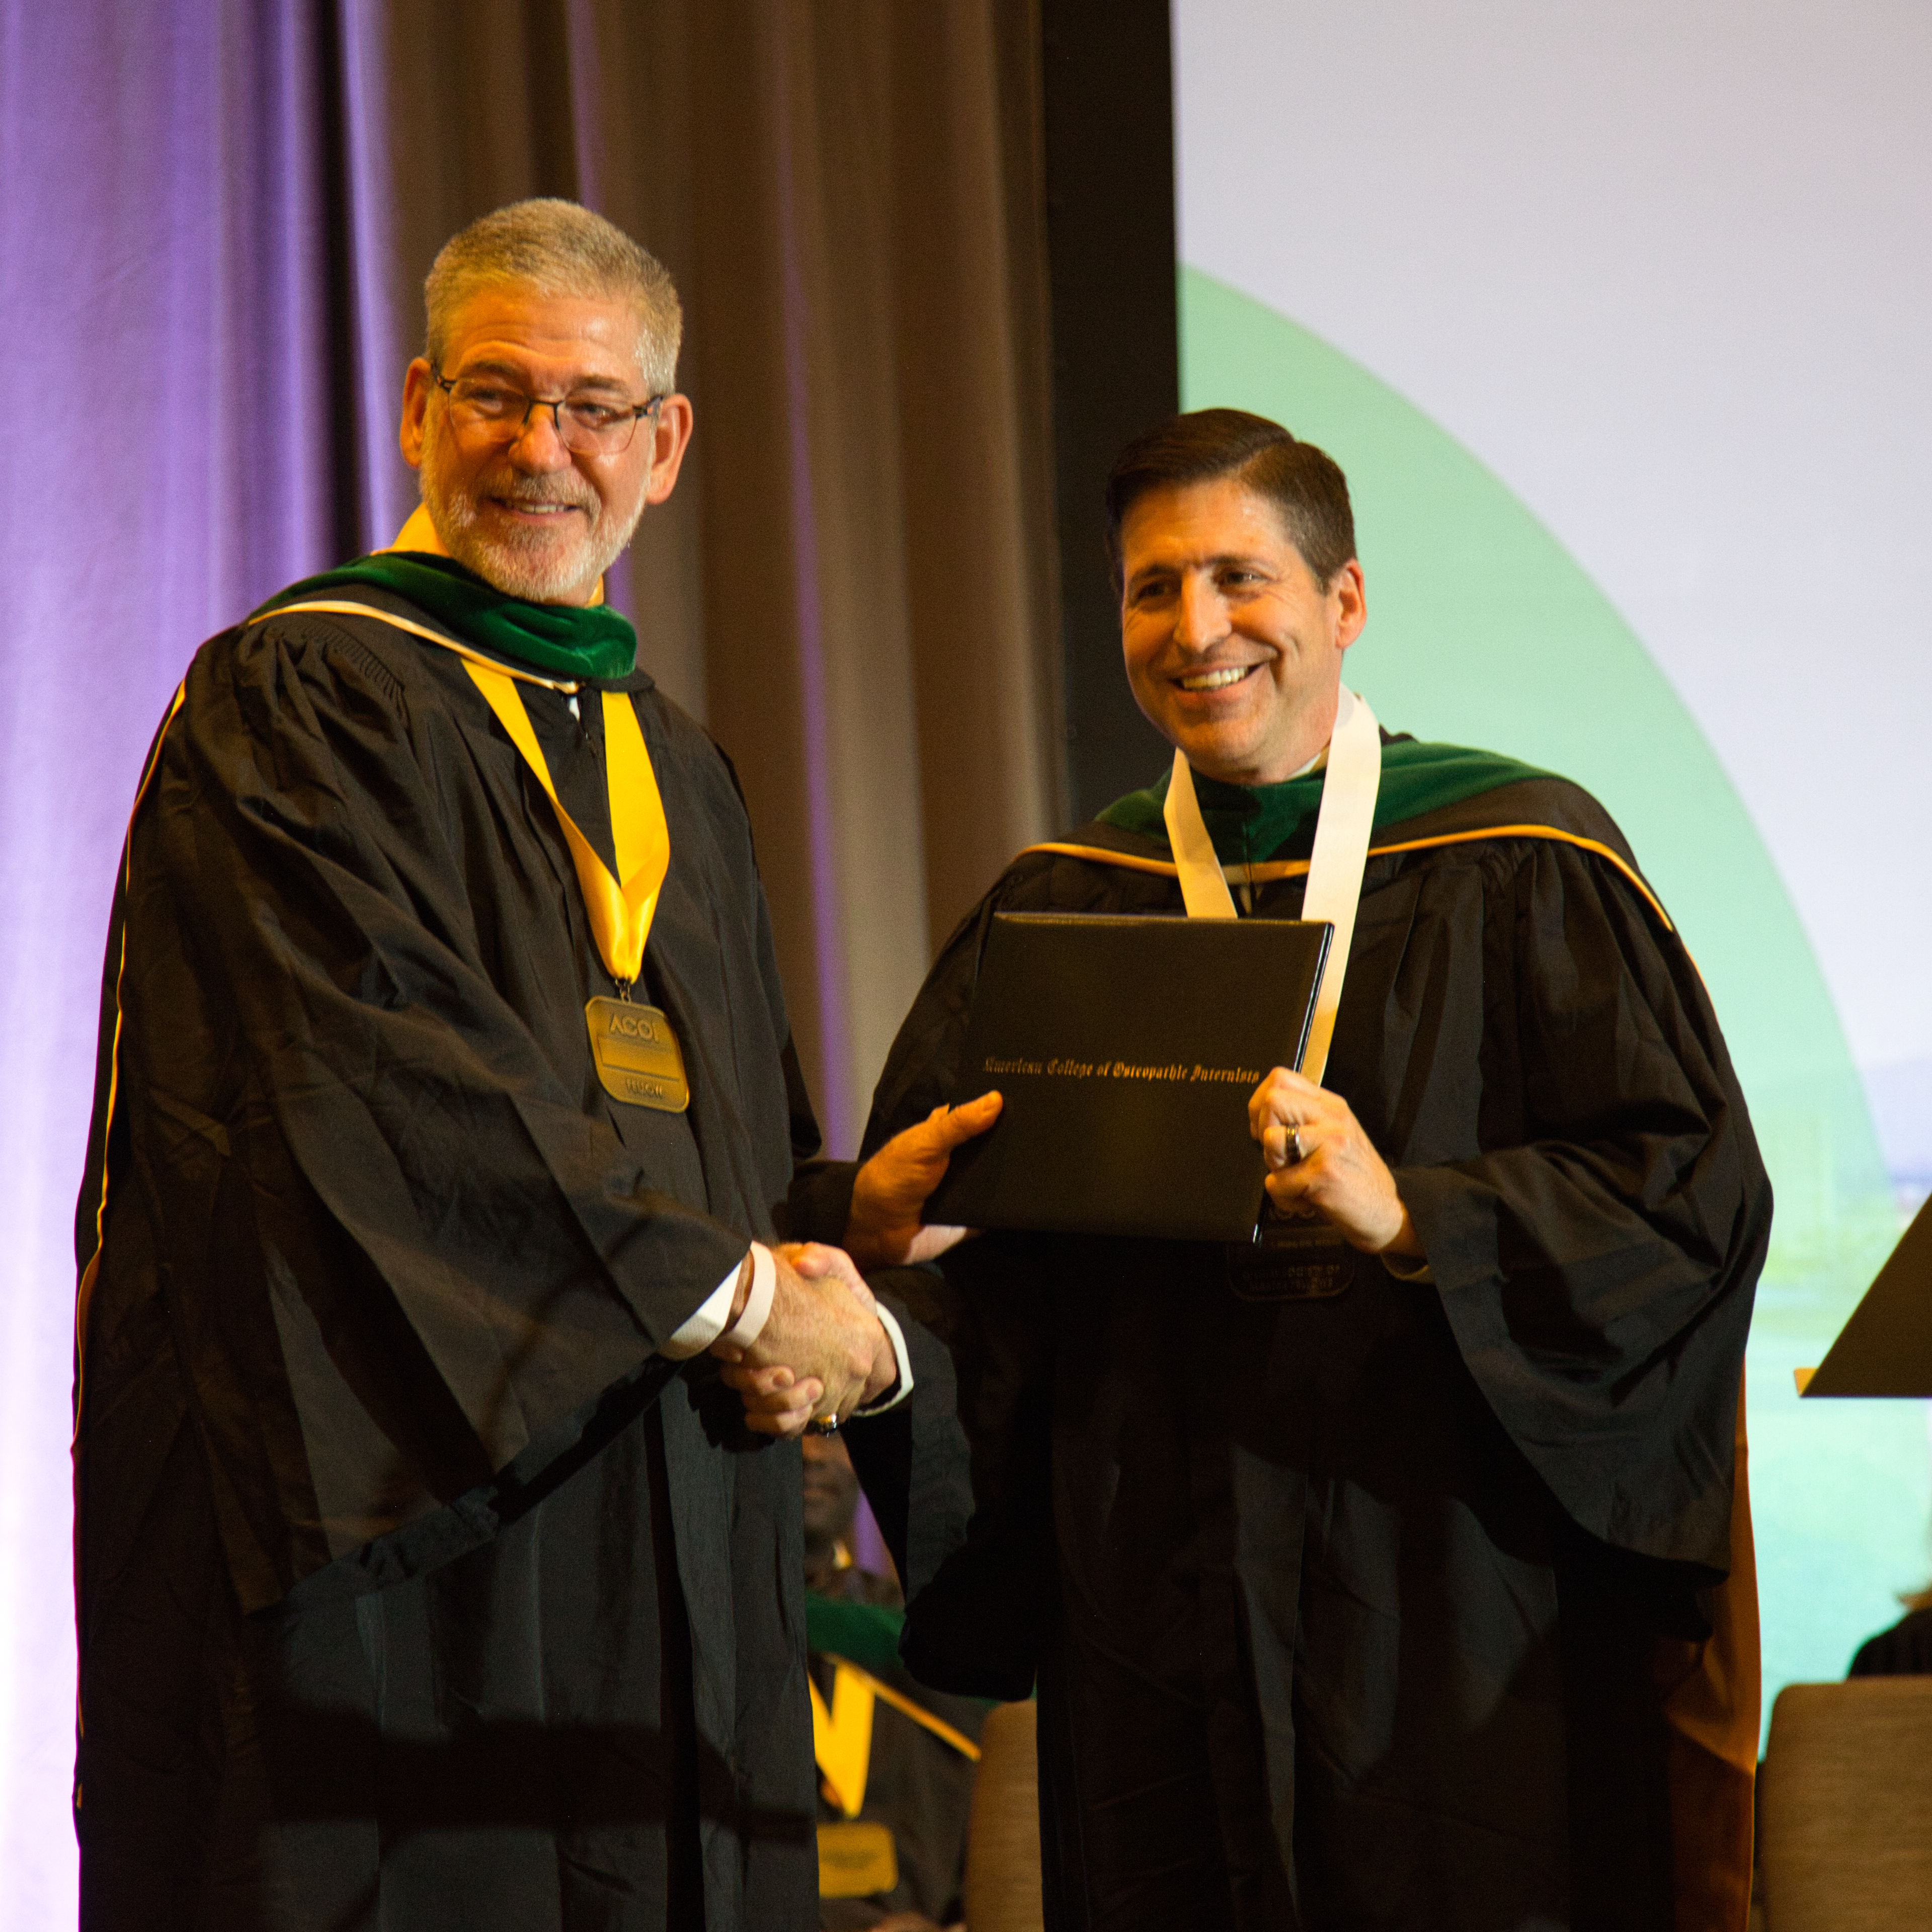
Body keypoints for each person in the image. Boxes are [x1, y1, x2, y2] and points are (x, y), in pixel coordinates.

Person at [70, 197, 989, 1932]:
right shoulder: (296, 700)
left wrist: (832, 1215)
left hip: (671, 1552)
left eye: (592, 406)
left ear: (667, 441)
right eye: (497, 395)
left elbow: (693, 1146)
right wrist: (738, 1297)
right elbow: (372, 1109)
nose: (540, 449)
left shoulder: (680, 772)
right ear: (418, 407)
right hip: (405, 1564)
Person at [860, 410, 1770, 1931]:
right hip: (1157, 1584)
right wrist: (887, 1231)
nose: (1196, 627)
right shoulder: (1070, 904)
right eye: (1153, 588)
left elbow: (1686, 1199)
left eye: (1239, 576)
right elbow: (975, 1286)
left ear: (1340, 604)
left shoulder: (1527, 857)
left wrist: (1415, 1211)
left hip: (1453, 1590)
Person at [800, 1435, 981, 1932]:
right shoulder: (708, 1633)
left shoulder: (911, 1630)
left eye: (834, 1433)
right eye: (798, 1432)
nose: (812, 1453)